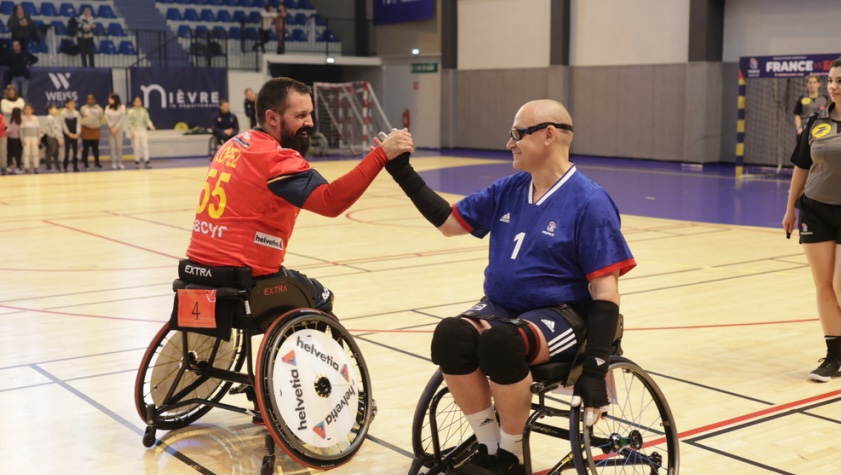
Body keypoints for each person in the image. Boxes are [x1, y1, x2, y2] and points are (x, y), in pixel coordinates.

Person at [383, 99, 635, 475]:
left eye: (518, 134)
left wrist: (596, 369)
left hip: (564, 315)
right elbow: (449, 223)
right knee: (451, 335)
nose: (509, 143)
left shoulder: (590, 201)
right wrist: (401, 171)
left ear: (549, 135)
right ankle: (489, 447)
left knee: (500, 344)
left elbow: (605, 291)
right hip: (502, 307)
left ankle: (511, 454)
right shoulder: (510, 188)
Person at [185, 76, 413, 311]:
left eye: (310, 114)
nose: (310, 123)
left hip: (198, 266)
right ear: (272, 117)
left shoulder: (232, 145)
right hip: (243, 273)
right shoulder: (274, 156)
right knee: (320, 297)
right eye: (301, 116)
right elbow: (330, 201)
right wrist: (381, 156)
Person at [782, 57, 841, 383]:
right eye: (831, 80)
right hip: (815, 210)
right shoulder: (816, 122)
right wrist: (791, 209)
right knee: (823, 285)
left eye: (840, 80)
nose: (833, 86)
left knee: (840, 286)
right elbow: (801, 168)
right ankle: (834, 357)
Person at [127, 96, 154, 169]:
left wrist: (150, 125)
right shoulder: (131, 111)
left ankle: (147, 161)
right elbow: (129, 122)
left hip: (143, 130)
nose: (138, 103)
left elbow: (147, 119)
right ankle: (137, 161)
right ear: (134, 103)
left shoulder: (144, 111)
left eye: (139, 101)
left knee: (145, 146)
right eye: (136, 101)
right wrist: (131, 131)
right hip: (135, 130)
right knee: (136, 147)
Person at [79, 94, 103, 169]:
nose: (90, 100)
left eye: (92, 99)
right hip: (86, 129)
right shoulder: (83, 108)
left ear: (95, 100)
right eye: (88, 99)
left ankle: (97, 163)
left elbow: (100, 117)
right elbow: (82, 116)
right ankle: (85, 163)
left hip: (95, 130)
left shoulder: (99, 108)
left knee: (95, 148)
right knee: (85, 148)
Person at [104, 93, 126, 170]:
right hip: (110, 129)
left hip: (118, 129)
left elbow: (122, 118)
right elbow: (106, 118)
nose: (109, 100)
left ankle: (120, 162)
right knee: (112, 146)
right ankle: (113, 162)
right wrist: (111, 127)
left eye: (110, 99)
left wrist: (116, 127)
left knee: (119, 146)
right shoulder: (107, 107)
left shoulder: (122, 107)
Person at [61, 97, 81, 172]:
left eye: (73, 103)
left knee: (75, 150)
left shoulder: (76, 113)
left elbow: (78, 124)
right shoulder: (63, 113)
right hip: (67, 134)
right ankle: (65, 166)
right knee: (67, 150)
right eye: (70, 104)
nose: (72, 105)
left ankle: (75, 166)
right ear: (66, 104)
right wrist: (68, 133)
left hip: (75, 133)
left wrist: (77, 133)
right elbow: (63, 125)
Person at [42, 104, 63, 172]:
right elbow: (54, 129)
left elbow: (57, 129)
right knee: (50, 152)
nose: (56, 110)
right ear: (50, 110)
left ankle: (57, 166)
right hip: (52, 137)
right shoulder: (50, 118)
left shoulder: (54, 118)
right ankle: (48, 167)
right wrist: (59, 138)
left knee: (56, 153)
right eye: (54, 109)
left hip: (55, 138)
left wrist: (59, 137)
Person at [20, 102, 40, 174]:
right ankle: (26, 167)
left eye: (29, 109)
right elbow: (21, 130)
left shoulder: (35, 118)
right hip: (26, 137)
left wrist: (38, 138)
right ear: (24, 110)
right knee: (26, 153)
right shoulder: (22, 118)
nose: (28, 111)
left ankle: (36, 167)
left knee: (35, 152)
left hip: (34, 137)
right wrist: (22, 139)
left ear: (32, 110)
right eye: (26, 109)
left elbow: (37, 129)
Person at [6, 107, 22, 174]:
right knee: (12, 154)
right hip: (14, 139)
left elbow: (10, 130)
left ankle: (18, 167)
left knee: (14, 153)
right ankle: (12, 166)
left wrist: (4, 131)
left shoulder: (15, 121)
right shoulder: (16, 120)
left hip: (13, 139)